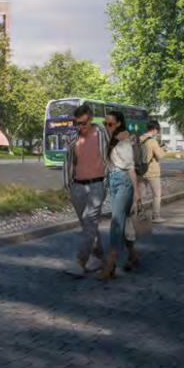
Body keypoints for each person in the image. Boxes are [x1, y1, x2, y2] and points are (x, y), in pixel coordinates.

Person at [63, 104, 107, 275]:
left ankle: (81, 261)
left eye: (82, 123)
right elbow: (69, 162)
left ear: (91, 118)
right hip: (77, 186)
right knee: (88, 226)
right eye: (77, 123)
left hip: (97, 185)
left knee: (89, 221)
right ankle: (100, 258)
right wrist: (68, 185)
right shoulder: (74, 137)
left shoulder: (103, 134)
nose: (79, 127)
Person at [102, 121, 141, 280]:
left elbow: (131, 167)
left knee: (117, 221)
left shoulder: (125, 144)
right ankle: (133, 255)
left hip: (125, 181)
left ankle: (111, 264)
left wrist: (137, 191)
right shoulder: (110, 144)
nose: (106, 127)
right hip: (113, 181)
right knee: (123, 220)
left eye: (110, 125)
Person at [141, 121, 166, 223]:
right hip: (152, 172)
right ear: (154, 129)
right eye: (157, 130)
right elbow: (159, 156)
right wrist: (163, 149)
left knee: (140, 195)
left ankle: (139, 215)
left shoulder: (139, 139)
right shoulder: (152, 141)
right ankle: (156, 216)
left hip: (140, 171)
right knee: (156, 195)